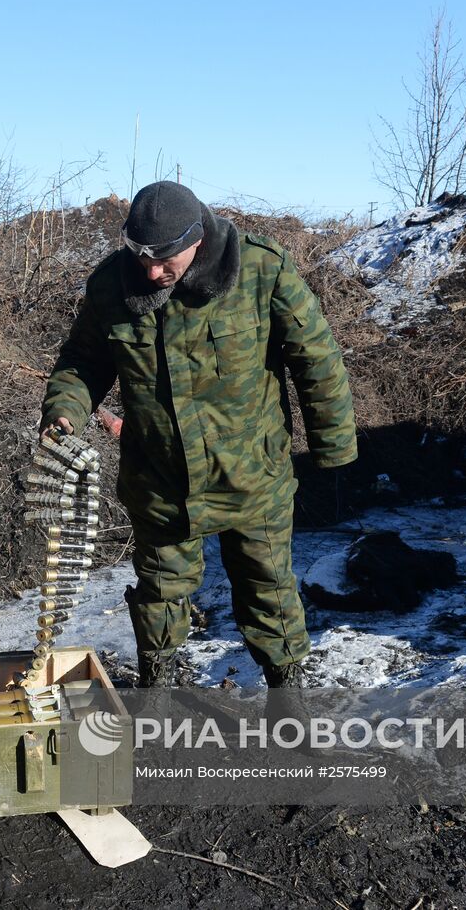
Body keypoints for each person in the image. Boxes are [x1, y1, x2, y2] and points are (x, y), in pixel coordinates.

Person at [41, 181, 357, 688]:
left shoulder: (261, 270)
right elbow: (82, 363)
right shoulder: (110, 286)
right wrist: (64, 412)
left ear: (197, 239)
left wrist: (334, 449)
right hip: (160, 479)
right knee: (160, 591)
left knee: (269, 588)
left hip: (252, 473)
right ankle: (157, 689)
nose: (151, 272)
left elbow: (316, 358)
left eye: (164, 259)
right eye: (141, 257)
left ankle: (287, 694)